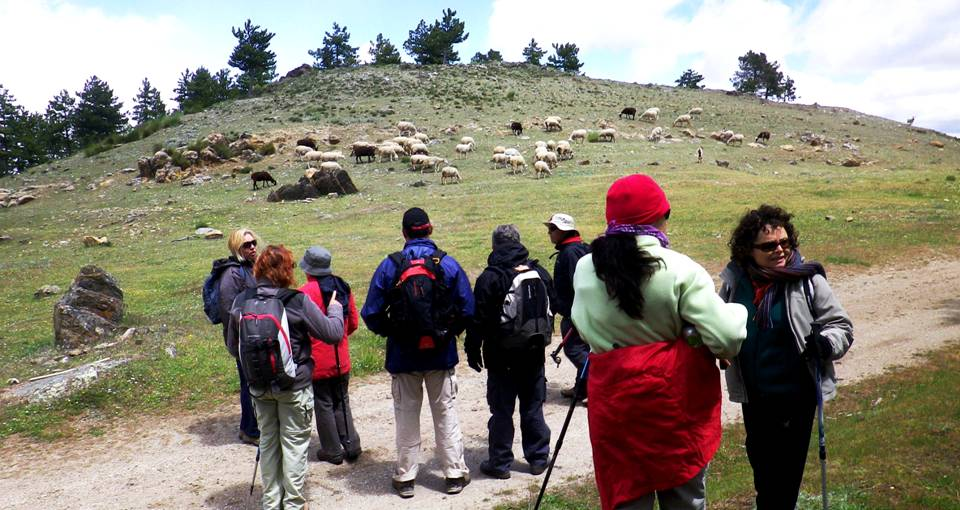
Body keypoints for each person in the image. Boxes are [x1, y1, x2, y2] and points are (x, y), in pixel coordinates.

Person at [571, 174, 748, 510]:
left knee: (626, 496)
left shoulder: (584, 268)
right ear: (660, 215)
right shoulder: (682, 269)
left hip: (615, 404)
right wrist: (735, 312)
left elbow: (581, 325)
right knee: (683, 497)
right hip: (673, 404)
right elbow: (727, 337)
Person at [720, 204, 853, 510]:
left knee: (784, 478)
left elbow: (841, 326)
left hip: (796, 396)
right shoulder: (735, 282)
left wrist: (826, 343)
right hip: (754, 398)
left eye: (785, 242)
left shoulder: (807, 280)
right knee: (763, 472)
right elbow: (720, 325)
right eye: (768, 245)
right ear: (747, 250)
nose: (780, 250)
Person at [360, 207, 474, 498]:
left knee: (406, 416)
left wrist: (393, 332)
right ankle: (453, 474)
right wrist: (448, 333)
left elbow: (371, 312)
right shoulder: (446, 264)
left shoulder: (391, 265)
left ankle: (406, 477)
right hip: (440, 354)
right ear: (430, 229)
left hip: (403, 356)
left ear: (404, 232)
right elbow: (468, 308)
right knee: (445, 413)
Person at [226, 244, 344, 510]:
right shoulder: (296, 301)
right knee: (293, 445)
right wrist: (335, 308)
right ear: (287, 271)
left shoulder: (240, 301)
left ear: (259, 269)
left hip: (258, 386)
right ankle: (292, 504)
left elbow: (234, 347)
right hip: (294, 384)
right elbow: (333, 333)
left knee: (268, 443)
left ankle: (271, 503)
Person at [466, 225, 556, 480]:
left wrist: (472, 351)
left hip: (500, 357)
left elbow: (478, 320)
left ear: (494, 246)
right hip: (534, 354)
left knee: (502, 410)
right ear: (519, 242)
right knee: (532, 406)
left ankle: (501, 462)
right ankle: (538, 458)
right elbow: (553, 306)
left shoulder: (490, 277)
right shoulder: (538, 272)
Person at [298, 246, 362, 465]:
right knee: (342, 399)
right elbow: (353, 322)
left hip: (317, 359)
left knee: (323, 402)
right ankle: (352, 444)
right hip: (341, 356)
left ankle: (332, 449)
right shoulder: (342, 286)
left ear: (308, 270)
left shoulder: (304, 293)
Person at [218, 228, 261, 446]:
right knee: (249, 382)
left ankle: (249, 427)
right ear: (237, 248)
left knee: (251, 381)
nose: (252, 247)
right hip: (243, 338)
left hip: (256, 336)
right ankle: (251, 431)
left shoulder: (251, 268)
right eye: (247, 244)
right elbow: (228, 309)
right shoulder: (232, 273)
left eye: (253, 242)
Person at [543, 213, 590, 401]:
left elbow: (576, 284)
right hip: (578, 311)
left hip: (575, 312)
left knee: (574, 350)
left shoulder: (570, 254)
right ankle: (582, 389)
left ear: (563, 231)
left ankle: (597, 387)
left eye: (552, 229)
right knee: (583, 348)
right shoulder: (576, 249)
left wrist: (575, 312)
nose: (549, 233)